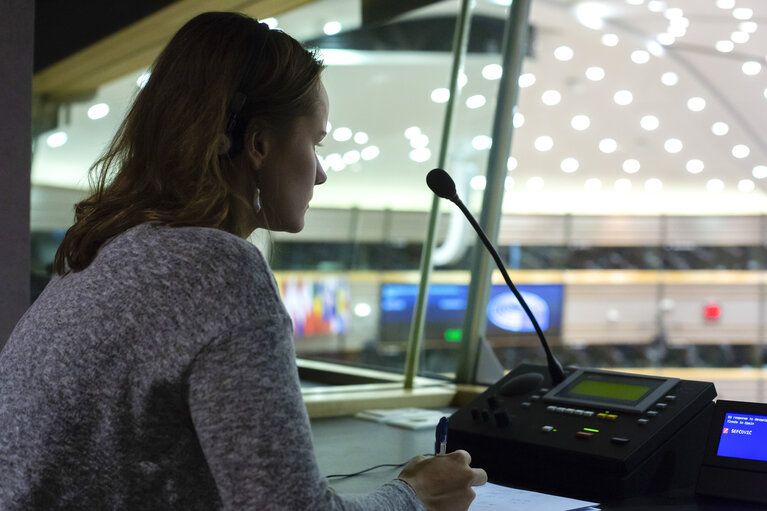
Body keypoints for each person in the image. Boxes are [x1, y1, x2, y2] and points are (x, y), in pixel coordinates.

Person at [0, 11, 487, 510]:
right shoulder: (219, 269)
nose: (320, 174)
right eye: (315, 143)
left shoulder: (98, 251)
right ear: (257, 143)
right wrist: (415, 496)